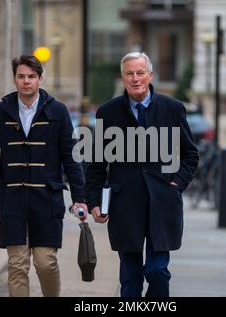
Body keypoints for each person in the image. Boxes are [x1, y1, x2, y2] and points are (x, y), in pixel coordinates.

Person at [85, 52, 199, 297]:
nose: (135, 78)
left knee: (157, 271)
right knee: (130, 277)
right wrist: (94, 201)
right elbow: (96, 164)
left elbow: (190, 155)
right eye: (129, 73)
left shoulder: (173, 108)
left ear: (150, 75)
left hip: (163, 201)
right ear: (123, 77)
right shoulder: (108, 113)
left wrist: (176, 184)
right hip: (125, 204)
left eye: (140, 73)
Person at [0, 55, 87, 297]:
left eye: (31, 76)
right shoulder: (0, 112)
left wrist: (80, 197)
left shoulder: (57, 111)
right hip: (12, 199)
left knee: (45, 262)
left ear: (40, 79)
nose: (26, 81)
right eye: (21, 76)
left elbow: (71, 157)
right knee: (17, 265)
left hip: (46, 199)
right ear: (15, 79)